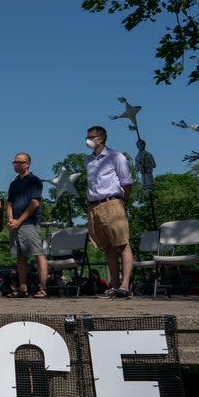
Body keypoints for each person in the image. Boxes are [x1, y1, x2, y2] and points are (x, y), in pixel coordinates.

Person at [84, 126, 135, 298]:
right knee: (107, 248)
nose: (89, 140)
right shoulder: (88, 161)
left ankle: (125, 284)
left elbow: (127, 182)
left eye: (92, 137)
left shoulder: (116, 156)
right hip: (94, 205)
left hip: (112, 202)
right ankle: (114, 284)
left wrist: (121, 202)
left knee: (122, 244)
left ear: (102, 138)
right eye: (88, 137)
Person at [7, 152, 49, 298]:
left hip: (29, 223)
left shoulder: (35, 181)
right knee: (19, 256)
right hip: (15, 225)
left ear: (27, 164)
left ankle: (43, 288)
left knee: (38, 253)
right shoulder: (13, 183)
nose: (16, 165)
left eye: (19, 162)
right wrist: (11, 219)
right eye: (14, 162)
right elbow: (10, 203)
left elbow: (35, 203)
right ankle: (22, 287)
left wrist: (20, 220)